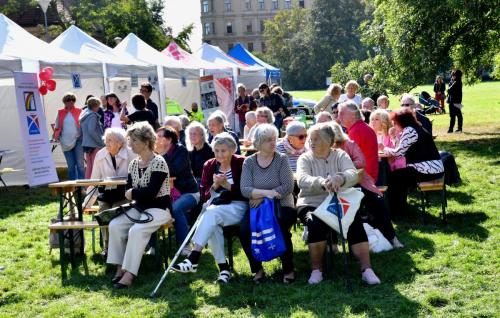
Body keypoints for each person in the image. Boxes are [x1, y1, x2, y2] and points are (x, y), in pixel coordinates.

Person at [296, 123, 381, 285]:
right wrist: (322, 182)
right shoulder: (305, 158)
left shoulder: (340, 155)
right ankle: (316, 270)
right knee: (315, 224)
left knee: (355, 222)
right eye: (310, 139)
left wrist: (340, 178)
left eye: (316, 139)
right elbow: (302, 179)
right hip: (311, 202)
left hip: (338, 201)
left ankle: (366, 269)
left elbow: (353, 174)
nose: (311, 143)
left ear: (329, 141)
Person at [172, 133, 248, 283]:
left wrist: (227, 185)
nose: (219, 154)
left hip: (239, 206)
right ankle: (224, 270)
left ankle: (193, 258)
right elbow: (204, 194)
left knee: (211, 214)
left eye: (223, 150)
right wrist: (215, 185)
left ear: (233, 149)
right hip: (216, 207)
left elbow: (247, 192)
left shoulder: (242, 163)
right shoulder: (210, 165)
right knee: (212, 220)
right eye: (217, 150)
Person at [107, 122, 172, 289]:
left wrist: (134, 193)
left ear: (146, 141)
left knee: (136, 230)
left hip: (160, 209)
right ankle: (120, 267)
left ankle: (129, 274)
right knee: (115, 225)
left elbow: (150, 192)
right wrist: (134, 193)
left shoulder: (159, 162)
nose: (130, 144)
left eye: (134, 140)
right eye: (130, 140)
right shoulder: (133, 164)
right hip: (140, 208)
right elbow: (129, 190)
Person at [330, 122, 403, 248]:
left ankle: (392, 238)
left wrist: (344, 167)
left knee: (377, 202)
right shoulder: (320, 150)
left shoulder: (349, 144)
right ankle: (333, 244)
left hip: (357, 182)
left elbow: (361, 162)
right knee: (329, 205)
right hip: (334, 188)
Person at [240, 124, 296, 284]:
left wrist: (260, 196)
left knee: (279, 224)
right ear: (258, 142)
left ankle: (288, 269)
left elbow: (287, 186)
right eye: (268, 140)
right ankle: (257, 269)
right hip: (257, 208)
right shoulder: (249, 162)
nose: (273, 143)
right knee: (244, 230)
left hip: (282, 205)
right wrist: (267, 194)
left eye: (274, 139)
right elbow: (245, 189)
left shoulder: (281, 159)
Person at [382, 108, 444, 217]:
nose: (394, 126)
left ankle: (397, 212)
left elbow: (398, 153)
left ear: (401, 122)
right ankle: (400, 209)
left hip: (427, 170)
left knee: (392, 178)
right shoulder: (415, 128)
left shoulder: (409, 131)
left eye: (394, 123)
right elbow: (401, 150)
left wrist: (384, 149)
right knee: (396, 177)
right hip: (433, 168)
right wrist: (394, 137)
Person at [85, 128, 136, 254]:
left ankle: (119, 246)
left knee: (116, 210)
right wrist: (87, 204)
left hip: (125, 194)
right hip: (107, 194)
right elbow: (94, 180)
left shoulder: (130, 153)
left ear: (120, 143)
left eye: (110, 140)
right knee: (104, 212)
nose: (106, 143)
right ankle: (107, 247)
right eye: (106, 140)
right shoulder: (100, 155)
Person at [156, 126, 199, 252]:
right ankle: (152, 247)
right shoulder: (156, 153)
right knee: (149, 206)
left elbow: (173, 171)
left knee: (175, 208)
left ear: (168, 140)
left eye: (159, 137)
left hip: (189, 193)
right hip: (167, 193)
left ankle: (184, 246)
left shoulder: (181, 151)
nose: (156, 140)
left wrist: (162, 154)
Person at [338, 101, 379, 182]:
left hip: (363, 179)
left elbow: (347, 159)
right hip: (368, 175)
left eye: (342, 113)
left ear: (353, 115)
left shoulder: (356, 131)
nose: (339, 117)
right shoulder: (361, 127)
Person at [53, 92, 85, 180]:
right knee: (71, 166)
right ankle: (73, 186)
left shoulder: (80, 111)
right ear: (64, 102)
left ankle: (82, 186)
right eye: (68, 100)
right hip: (65, 142)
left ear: (74, 101)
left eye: (72, 100)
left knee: (80, 164)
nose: (70, 102)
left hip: (78, 140)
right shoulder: (60, 113)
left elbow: (84, 124)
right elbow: (56, 126)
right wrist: (56, 137)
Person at [79, 97, 105, 179]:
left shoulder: (84, 114)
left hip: (86, 144)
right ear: (95, 106)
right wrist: (100, 142)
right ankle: (95, 187)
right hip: (94, 144)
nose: (99, 108)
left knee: (89, 166)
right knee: (96, 167)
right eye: (98, 106)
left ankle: (88, 187)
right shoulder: (92, 115)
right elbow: (92, 131)